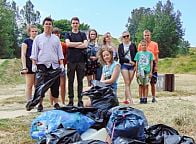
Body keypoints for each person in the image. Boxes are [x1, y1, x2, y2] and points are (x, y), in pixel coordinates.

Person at [28, 17, 64, 112]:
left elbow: (59, 52)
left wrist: (61, 64)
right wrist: (34, 64)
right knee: (41, 86)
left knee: (55, 85)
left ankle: (56, 103)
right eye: (46, 24)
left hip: (54, 65)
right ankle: (40, 104)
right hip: (42, 65)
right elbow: (34, 52)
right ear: (43, 25)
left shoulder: (56, 39)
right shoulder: (38, 38)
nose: (48, 25)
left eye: (50, 24)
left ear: (52, 26)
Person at [65, 17, 88, 107]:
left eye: (76, 23)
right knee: (70, 81)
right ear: (71, 24)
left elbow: (85, 45)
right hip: (71, 61)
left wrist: (73, 45)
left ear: (79, 24)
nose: (75, 24)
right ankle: (70, 100)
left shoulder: (82, 34)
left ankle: (80, 100)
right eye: (73, 23)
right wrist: (79, 43)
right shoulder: (68, 34)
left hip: (81, 61)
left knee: (80, 81)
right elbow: (67, 44)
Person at [138, 29, 159, 103]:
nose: (146, 37)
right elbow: (139, 56)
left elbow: (156, 56)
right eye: (145, 35)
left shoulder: (154, 44)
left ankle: (153, 97)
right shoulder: (140, 44)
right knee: (143, 83)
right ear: (143, 36)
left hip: (152, 64)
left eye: (148, 35)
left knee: (153, 82)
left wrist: (156, 66)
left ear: (150, 36)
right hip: (143, 65)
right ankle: (143, 98)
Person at [50, 27, 68, 106]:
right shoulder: (49, 44)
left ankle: (63, 102)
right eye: (55, 33)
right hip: (52, 67)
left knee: (62, 85)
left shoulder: (63, 45)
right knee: (52, 85)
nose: (56, 35)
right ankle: (52, 102)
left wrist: (64, 64)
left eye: (58, 33)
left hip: (61, 67)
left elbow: (67, 55)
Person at [118, 31, 137, 104]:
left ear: (129, 36)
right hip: (124, 65)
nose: (126, 37)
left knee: (129, 83)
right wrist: (129, 61)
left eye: (127, 36)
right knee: (127, 82)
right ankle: (131, 100)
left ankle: (125, 99)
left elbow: (136, 55)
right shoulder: (120, 46)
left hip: (132, 66)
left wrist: (135, 65)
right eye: (124, 36)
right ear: (122, 37)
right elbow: (121, 57)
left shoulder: (133, 45)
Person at [21, 25, 38, 101]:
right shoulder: (26, 41)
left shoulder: (38, 41)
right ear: (29, 32)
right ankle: (29, 101)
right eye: (32, 31)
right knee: (29, 85)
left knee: (37, 85)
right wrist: (24, 67)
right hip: (29, 65)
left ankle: (36, 101)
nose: (34, 33)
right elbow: (23, 55)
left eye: (35, 31)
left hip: (38, 65)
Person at [134, 40, 153, 104]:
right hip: (140, 71)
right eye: (142, 45)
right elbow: (136, 63)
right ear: (140, 46)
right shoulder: (138, 54)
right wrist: (136, 72)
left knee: (146, 85)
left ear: (146, 45)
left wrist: (151, 72)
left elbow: (151, 63)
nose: (143, 46)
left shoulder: (150, 53)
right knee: (140, 85)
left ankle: (145, 98)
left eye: (145, 45)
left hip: (147, 71)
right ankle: (141, 98)